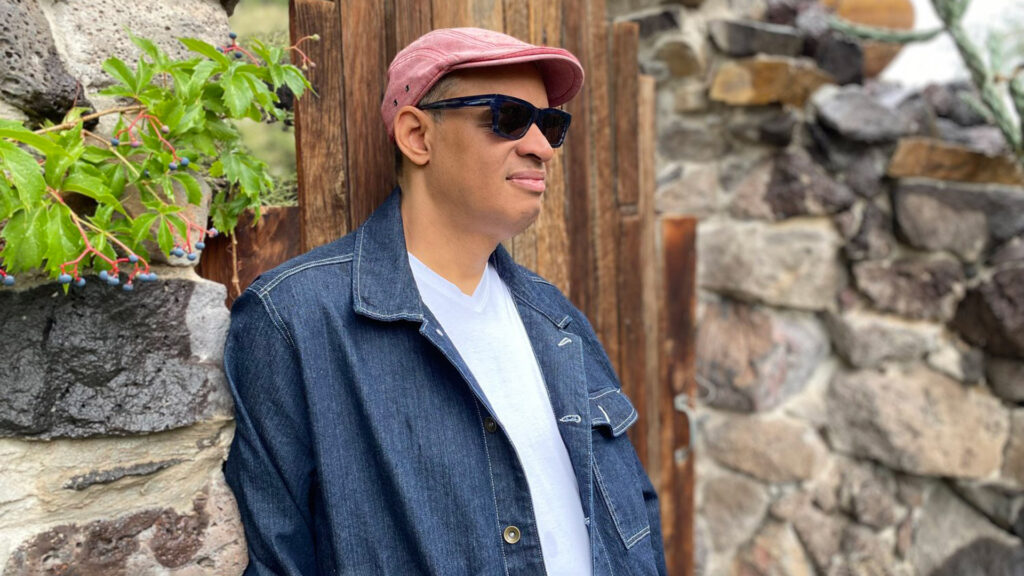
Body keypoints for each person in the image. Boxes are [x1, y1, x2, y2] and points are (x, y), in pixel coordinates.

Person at [223, 27, 667, 576]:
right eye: (509, 118)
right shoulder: (295, 320)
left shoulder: (557, 320)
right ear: (417, 136)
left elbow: (634, 519)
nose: (541, 147)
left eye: (551, 125)